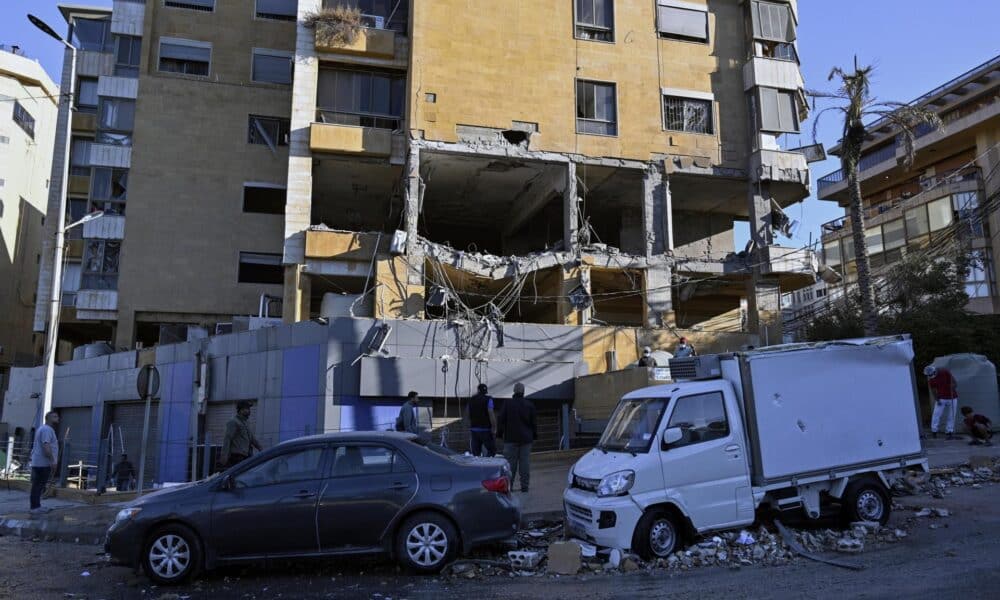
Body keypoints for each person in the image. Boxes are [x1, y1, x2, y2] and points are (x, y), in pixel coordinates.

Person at [498, 383, 537, 493]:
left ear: (514, 391)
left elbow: (501, 419)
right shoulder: (529, 405)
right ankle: (525, 486)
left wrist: (499, 434)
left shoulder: (507, 404)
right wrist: (534, 435)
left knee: (510, 464)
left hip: (510, 438)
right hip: (526, 438)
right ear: (523, 392)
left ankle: (509, 486)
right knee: (525, 463)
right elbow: (534, 422)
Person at [29, 411, 60, 512]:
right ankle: (35, 507)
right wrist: (53, 461)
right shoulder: (47, 430)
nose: (57, 418)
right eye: (54, 416)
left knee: (38, 485)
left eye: (57, 416)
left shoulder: (44, 429)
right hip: (43, 463)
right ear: (48, 419)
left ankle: (36, 506)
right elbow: (46, 446)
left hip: (39, 462)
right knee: (38, 485)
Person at [218, 400, 262, 469]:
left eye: (249, 409)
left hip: (247, 456)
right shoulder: (233, 422)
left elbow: (252, 438)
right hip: (237, 457)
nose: (249, 411)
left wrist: (261, 448)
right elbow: (227, 439)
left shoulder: (246, 423)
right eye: (247, 408)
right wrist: (224, 457)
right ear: (241, 410)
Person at [925, 365, 958, 440]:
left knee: (952, 415)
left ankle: (949, 431)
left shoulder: (945, 372)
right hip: (941, 398)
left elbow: (955, 382)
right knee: (936, 414)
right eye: (929, 375)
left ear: (934, 371)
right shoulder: (931, 380)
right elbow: (933, 390)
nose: (930, 376)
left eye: (931, 374)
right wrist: (937, 399)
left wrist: (953, 386)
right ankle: (934, 431)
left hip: (952, 397)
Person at [467, 383, 497, 457]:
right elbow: (491, 413)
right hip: (486, 430)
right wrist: (494, 427)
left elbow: (467, 414)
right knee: (491, 451)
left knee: (476, 454)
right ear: (486, 392)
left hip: (474, 430)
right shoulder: (488, 400)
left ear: (478, 390)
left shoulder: (471, 400)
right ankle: (487, 465)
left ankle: (478, 467)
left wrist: (468, 426)